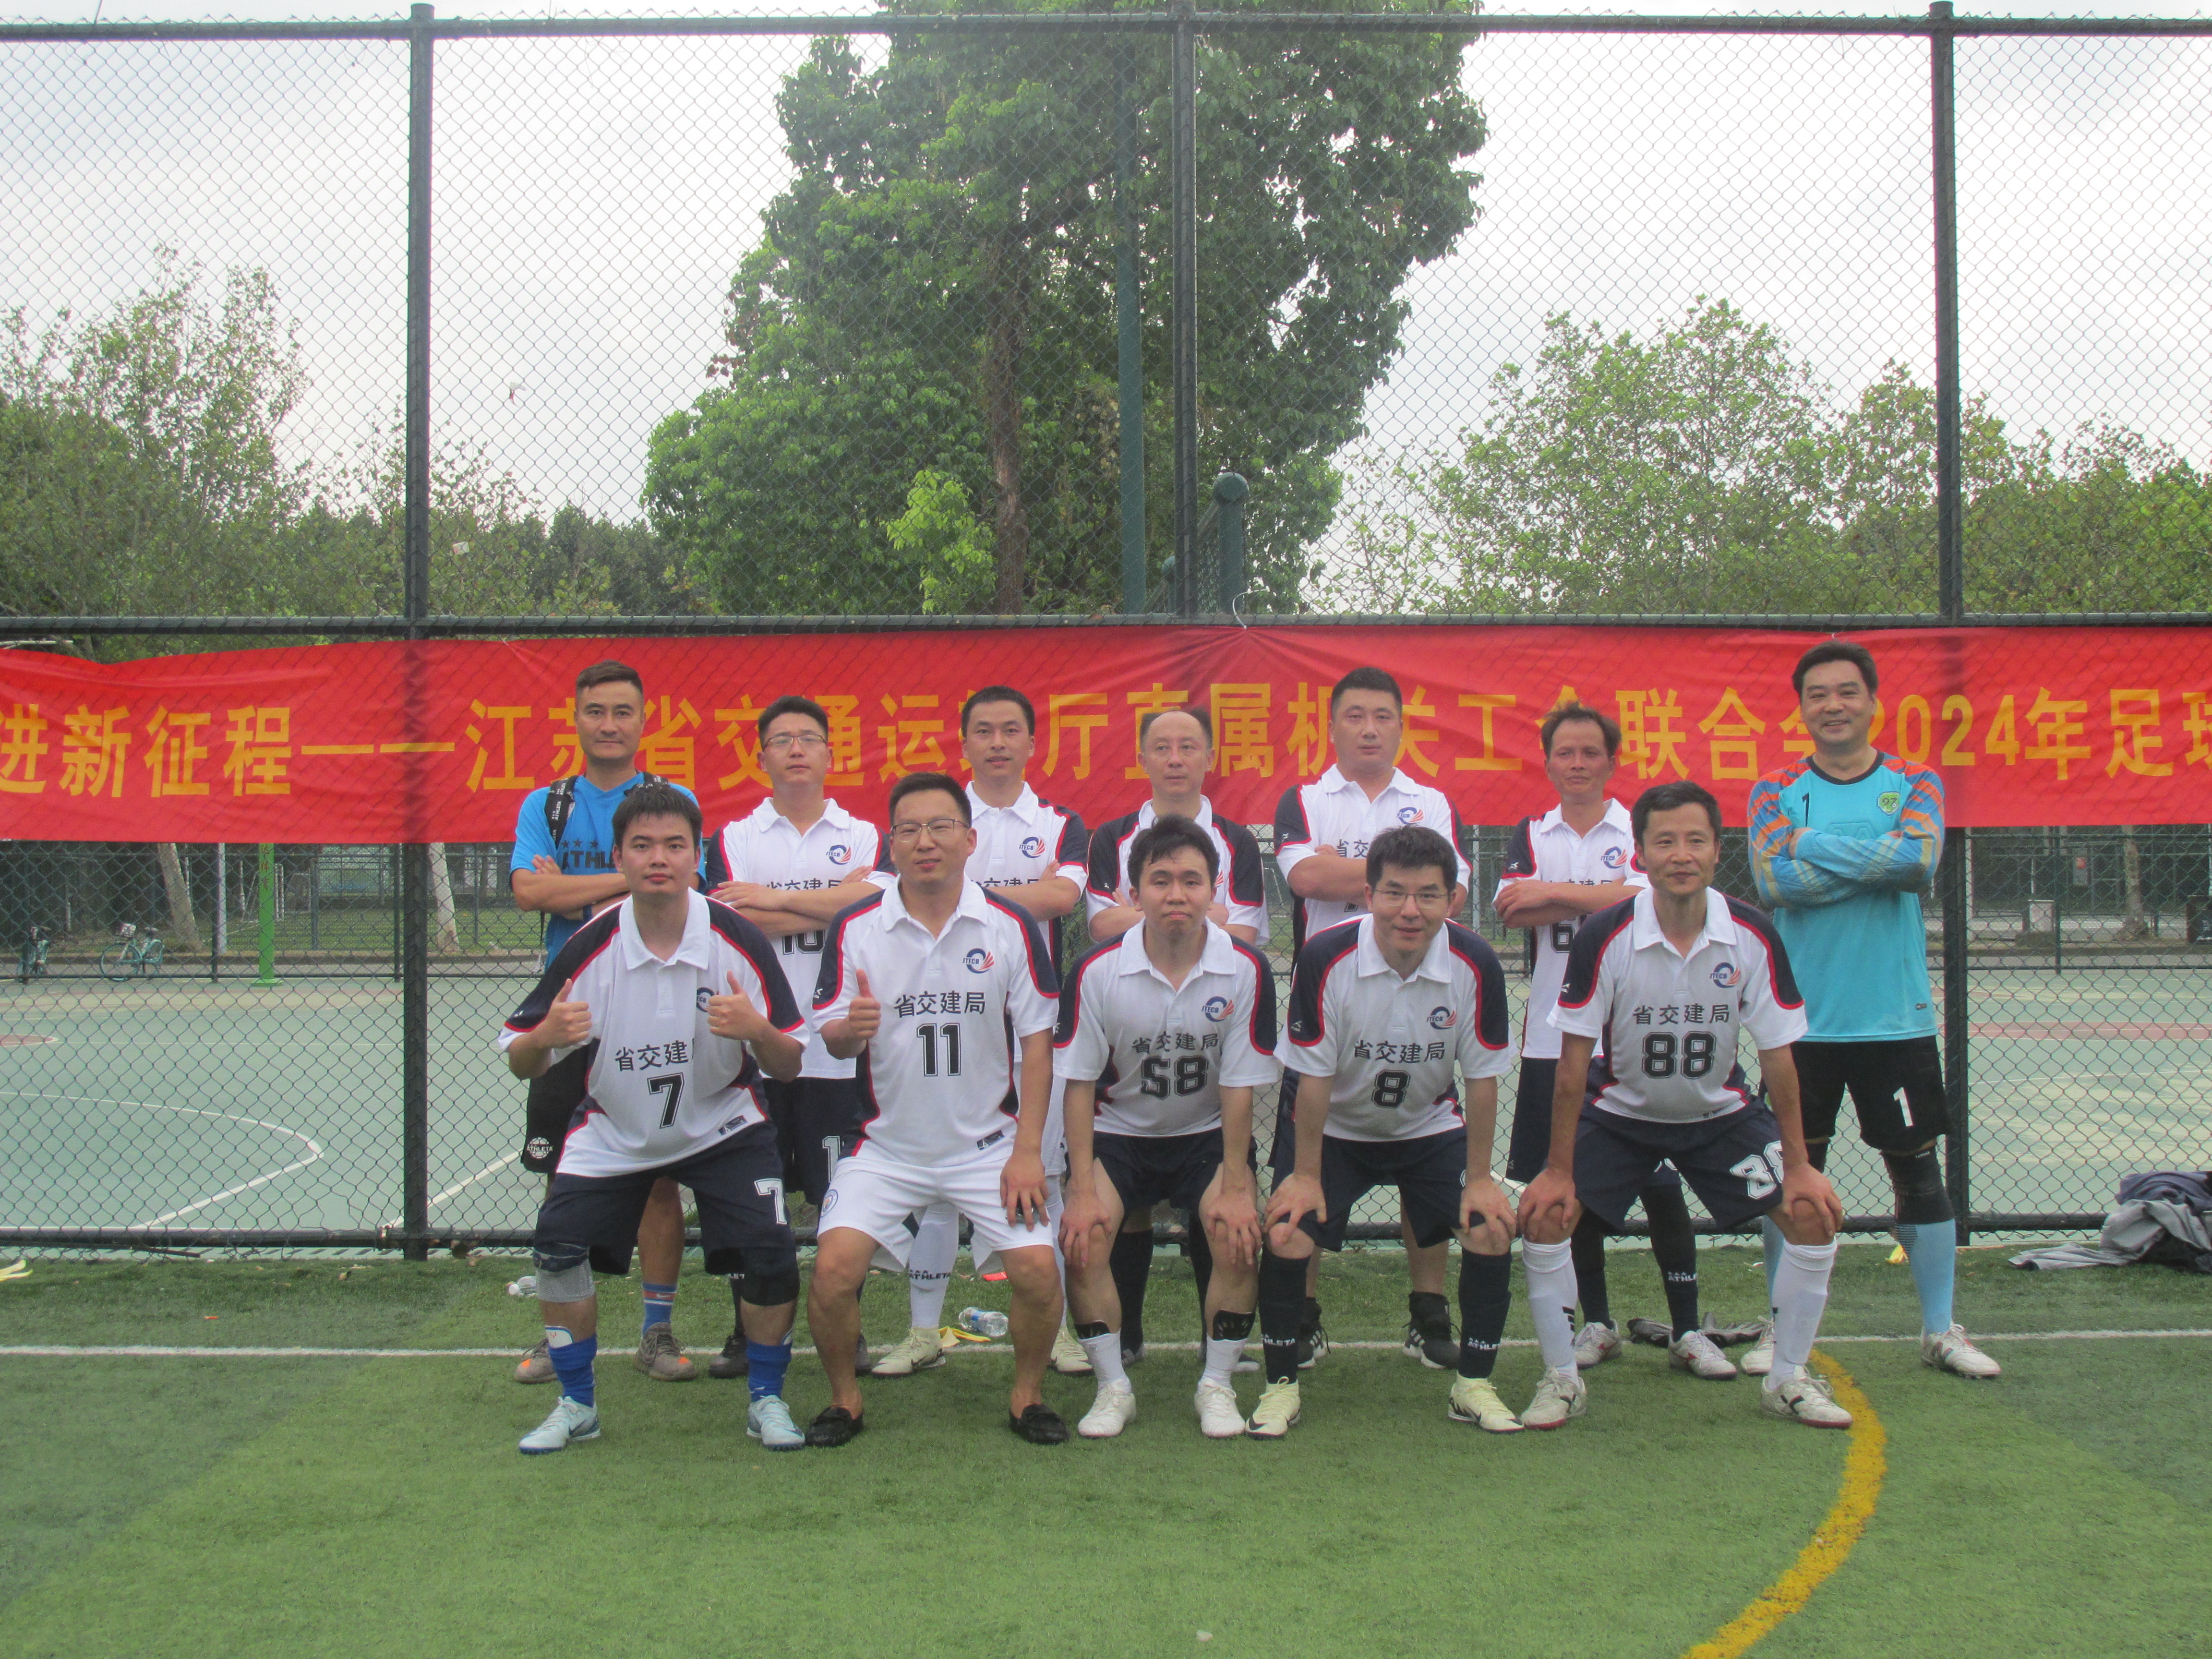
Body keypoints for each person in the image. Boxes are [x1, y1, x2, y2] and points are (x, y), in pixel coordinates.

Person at [1518, 780, 1854, 1430]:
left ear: (1717, 850)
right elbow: (1572, 1064)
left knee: (1812, 1216)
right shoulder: (1606, 935)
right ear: (1640, 855)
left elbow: (1780, 1057)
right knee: (1546, 1216)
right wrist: (1558, 1169)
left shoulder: (1751, 933)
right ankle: (1560, 1378)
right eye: (1665, 842)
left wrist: (1800, 1166)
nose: (1681, 855)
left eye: (1696, 840)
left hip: (1718, 1118)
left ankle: (1787, 1377)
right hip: (1620, 1117)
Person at [499, 785, 809, 1455]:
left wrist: (758, 1030)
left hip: (724, 1124)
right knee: (556, 1245)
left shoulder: (736, 937)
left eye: (674, 845)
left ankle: (767, 1399)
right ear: (619, 858)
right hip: (615, 1129)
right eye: (642, 846)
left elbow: (787, 1064)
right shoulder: (592, 944)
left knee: (771, 1250)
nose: (659, 859)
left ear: (698, 857)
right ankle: (577, 1404)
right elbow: (523, 1059)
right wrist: (545, 1037)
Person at [1747, 641, 1999, 1380]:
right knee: (1792, 1176)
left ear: (1872, 702)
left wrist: (1811, 845)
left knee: (1917, 1175)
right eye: (1818, 694)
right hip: (1799, 1024)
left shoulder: (1916, 782)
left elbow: (1919, 862)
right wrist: (1875, 863)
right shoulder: (1774, 790)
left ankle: (1940, 1329)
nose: (1833, 705)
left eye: (1847, 692)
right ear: (1802, 708)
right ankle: (1781, 1327)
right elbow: (1775, 883)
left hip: (1894, 1018)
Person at [803, 771, 1069, 1446]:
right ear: (891, 844)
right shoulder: (857, 927)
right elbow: (831, 1037)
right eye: (910, 830)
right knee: (832, 1273)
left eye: (941, 827)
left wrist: (1027, 1152)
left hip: (986, 1147)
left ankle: (1028, 1396)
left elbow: (1038, 1046)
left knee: (1039, 1273)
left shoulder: (1009, 925)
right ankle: (844, 1401)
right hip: (886, 1149)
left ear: (969, 840)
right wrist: (851, 1029)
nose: (926, 842)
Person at [1252, 825, 1520, 1439]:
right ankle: (1279, 1388)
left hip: (1427, 1124)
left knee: (1490, 1226)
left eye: (1428, 895)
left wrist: (1481, 1178)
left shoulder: (1475, 961)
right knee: (1289, 1230)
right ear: (1369, 895)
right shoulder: (1326, 957)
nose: (1410, 910)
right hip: (1335, 1126)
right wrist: (1306, 1176)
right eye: (1395, 893)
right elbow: (1313, 1079)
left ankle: (1474, 1385)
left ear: (1453, 899)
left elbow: (1482, 1079)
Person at [1495, 703, 1732, 1380]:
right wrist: (1603, 894)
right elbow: (1511, 908)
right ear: (1548, 763)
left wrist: (1556, 894)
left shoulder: (1638, 827)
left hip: (1630, 1036)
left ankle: (1689, 1327)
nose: (1577, 764)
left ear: (1610, 761)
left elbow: (1642, 897)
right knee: (1571, 1189)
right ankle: (1596, 1323)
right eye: (1565, 753)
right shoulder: (1531, 831)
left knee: (1661, 1186)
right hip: (1553, 1038)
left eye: (1590, 753)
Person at [866, 686, 1094, 1382]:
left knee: (1041, 1177)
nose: (998, 743)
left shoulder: (1060, 822)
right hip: (941, 1025)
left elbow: (1064, 896)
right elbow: (886, 896)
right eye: (984, 731)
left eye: (1011, 731)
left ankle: (1057, 1329)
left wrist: (956, 896)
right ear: (963, 743)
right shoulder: (932, 814)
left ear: (1032, 743)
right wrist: (991, 896)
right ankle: (922, 1330)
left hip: (1026, 1031)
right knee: (937, 1186)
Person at [506, 661, 701, 1387]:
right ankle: (560, 1334)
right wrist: (631, 879)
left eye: (623, 712)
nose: (610, 725)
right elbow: (531, 893)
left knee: (659, 1180)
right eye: (597, 711)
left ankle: (657, 1332)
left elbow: (684, 886)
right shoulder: (548, 805)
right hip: (573, 1012)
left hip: (655, 1008)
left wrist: (574, 888)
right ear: (577, 719)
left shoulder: (673, 800)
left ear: (644, 721)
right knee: (564, 1177)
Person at [1056, 815, 1280, 1438]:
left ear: (1214, 890)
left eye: (1191, 881)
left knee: (1237, 1234)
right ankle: (1113, 1387)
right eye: (1160, 881)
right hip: (1120, 1134)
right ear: (1134, 894)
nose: (1176, 894)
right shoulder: (1096, 970)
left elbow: (1239, 1086)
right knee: (1083, 1236)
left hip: (1205, 1133)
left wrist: (1236, 1183)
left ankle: (1217, 1384)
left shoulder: (1245, 968)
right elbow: (1078, 1083)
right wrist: (1080, 1187)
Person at [1274, 665, 1471, 1372]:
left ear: (1400, 726)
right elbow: (1303, 877)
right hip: (1330, 1004)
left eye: (1382, 716)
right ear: (1332, 726)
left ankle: (1428, 1313)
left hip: (1420, 1000)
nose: (1368, 728)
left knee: (1429, 1159)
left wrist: (1354, 871)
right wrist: (1394, 881)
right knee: (1307, 1168)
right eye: (1354, 716)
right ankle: (1303, 1317)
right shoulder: (1304, 798)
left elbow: (1451, 891)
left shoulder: (1432, 801)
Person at [702, 694, 883, 1380]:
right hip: (756, 1045)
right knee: (754, 1202)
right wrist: (832, 903)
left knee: (842, 1204)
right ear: (763, 757)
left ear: (831, 753)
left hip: (837, 1047)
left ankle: (847, 1330)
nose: (797, 749)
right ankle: (748, 1334)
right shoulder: (733, 838)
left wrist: (773, 899)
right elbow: (732, 924)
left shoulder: (865, 834)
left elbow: (873, 908)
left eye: (810, 738)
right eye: (783, 740)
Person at [1085, 706, 1268, 1364]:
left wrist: (1157, 914)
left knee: (1217, 1211)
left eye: (1188, 746)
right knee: (1124, 1211)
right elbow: (1101, 926)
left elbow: (1246, 933)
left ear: (1210, 756)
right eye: (1161, 746)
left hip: (1207, 1059)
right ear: (1141, 757)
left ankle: (1216, 1352)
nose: (1175, 758)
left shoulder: (1238, 840)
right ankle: (1126, 1339)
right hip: (1129, 1065)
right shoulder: (1111, 836)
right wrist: (1198, 913)